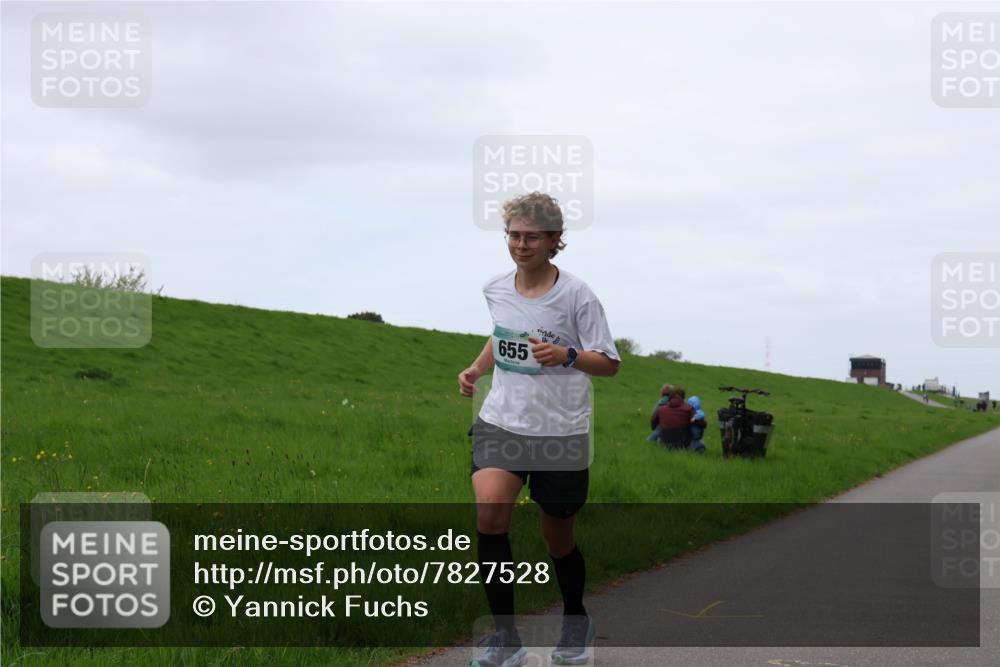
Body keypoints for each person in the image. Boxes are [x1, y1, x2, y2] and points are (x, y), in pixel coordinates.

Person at [457, 192, 620, 667]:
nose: (521, 245)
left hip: (560, 432)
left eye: (532, 237)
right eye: (514, 235)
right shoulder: (495, 288)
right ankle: (505, 640)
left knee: (558, 538)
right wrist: (475, 369)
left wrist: (566, 355)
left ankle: (574, 620)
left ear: (554, 240)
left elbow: (608, 363)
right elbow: (501, 334)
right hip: (502, 421)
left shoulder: (577, 295)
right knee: (490, 513)